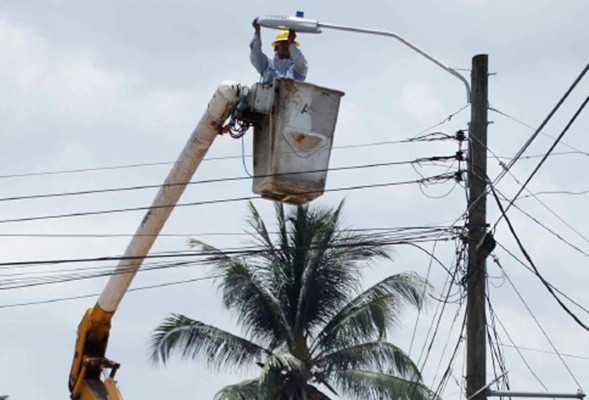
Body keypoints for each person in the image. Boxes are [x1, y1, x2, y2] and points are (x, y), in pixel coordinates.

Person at [250, 18, 308, 84]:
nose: (286, 45)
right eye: (283, 42)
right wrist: (257, 32)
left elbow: (302, 64)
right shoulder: (267, 65)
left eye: (289, 43)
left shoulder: (297, 70)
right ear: (276, 47)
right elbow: (255, 55)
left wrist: (291, 44)